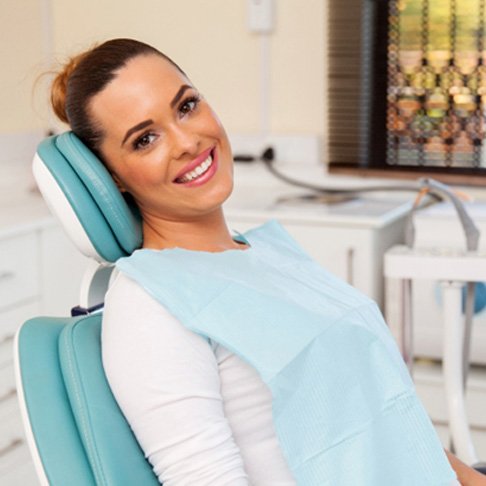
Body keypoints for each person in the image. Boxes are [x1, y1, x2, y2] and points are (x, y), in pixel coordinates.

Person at [50, 38, 486, 485]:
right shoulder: (150, 305)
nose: (187, 141)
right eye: (145, 139)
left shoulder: (268, 252)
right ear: (114, 179)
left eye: (186, 106)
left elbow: (392, 421)